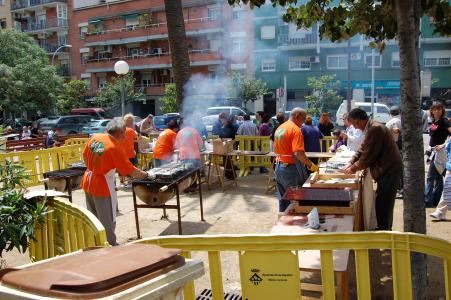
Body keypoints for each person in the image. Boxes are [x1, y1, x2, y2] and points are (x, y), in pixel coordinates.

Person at [81, 119, 148, 245]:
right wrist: (147, 175)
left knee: (94, 217)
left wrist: (96, 167)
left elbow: (84, 156)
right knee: (107, 220)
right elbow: (130, 170)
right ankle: (110, 245)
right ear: (118, 133)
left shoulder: (95, 137)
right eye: (123, 133)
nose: (124, 136)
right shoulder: (113, 147)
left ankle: (96, 244)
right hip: (102, 185)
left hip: (88, 181)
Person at [344, 108, 402, 230]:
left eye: (354, 124)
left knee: (384, 202)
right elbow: (363, 148)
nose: (355, 128)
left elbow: (368, 156)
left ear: (359, 121)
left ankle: (384, 230)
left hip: (389, 169)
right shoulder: (371, 127)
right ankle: (383, 228)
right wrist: (351, 161)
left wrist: (353, 168)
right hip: (386, 169)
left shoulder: (375, 128)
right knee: (382, 200)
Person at [274, 108, 319, 212]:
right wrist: (310, 165)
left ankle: (283, 222)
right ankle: (294, 224)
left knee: (284, 199)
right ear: (297, 116)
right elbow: (298, 153)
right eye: (303, 118)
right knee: (296, 201)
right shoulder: (295, 130)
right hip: (291, 169)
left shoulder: (281, 127)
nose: (303, 122)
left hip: (279, 166)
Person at [425, 102, 451, 208]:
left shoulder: (444, 121)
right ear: (431, 110)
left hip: (439, 153)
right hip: (432, 152)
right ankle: (435, 200)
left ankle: (427, 200)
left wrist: (444, 145)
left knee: (431, 177)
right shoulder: (433, 121)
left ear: (442, 110)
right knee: (438, 177)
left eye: (439, 109)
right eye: (435, 109)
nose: (437, 111)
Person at [430, 139, 451, 221]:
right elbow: (447, 149)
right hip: (450, 168)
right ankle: (440, 212)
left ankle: (440, 212)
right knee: (447, 190)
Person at [119, 114, 138, 188]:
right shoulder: (132, 131)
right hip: (130, 153)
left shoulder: (119, 130)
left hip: (120, 153)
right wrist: (137, 151)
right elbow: (136, 142)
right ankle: (130, 182)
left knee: (120, 167)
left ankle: (121, 182)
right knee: (130, 168)